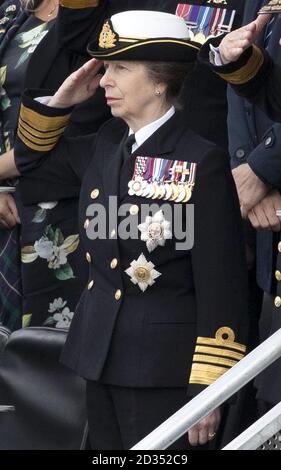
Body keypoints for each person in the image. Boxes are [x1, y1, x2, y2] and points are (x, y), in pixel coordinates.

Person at [12, 10, 249, 450]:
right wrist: (60, 102)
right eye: (106, 68)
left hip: (166, 371)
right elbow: (34, 168)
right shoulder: (105, 145)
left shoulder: (202, 160)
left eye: (120, 68)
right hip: (99, 357)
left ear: (160, 81)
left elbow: (223, 287)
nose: (104, 80)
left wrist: (210, 390)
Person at [0, 0, 110, 330]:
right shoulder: (13, 9)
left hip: (63, 208)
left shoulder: (108, 13)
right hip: (8, 196)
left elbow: (86, 127)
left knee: (49, 356)